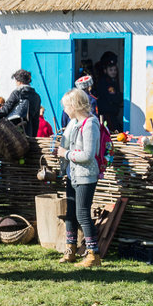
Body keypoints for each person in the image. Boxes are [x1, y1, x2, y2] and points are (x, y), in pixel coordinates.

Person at [56, 88, 103, 267]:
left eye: (67, 105)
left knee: (82, 213)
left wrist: (66, 153)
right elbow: (66, 143)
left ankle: (93, 254)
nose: (65, 109)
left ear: (75, 105)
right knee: (71, 214)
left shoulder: (90, 124)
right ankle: (71, 250)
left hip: (85, 175)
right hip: (73, 174)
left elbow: (88, 154)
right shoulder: (73, 123)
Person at [0, 69, 42, 138]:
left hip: (13, 132)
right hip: (29, 132)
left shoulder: (18, 93)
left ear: (19, 82)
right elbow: (36, 119)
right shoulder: (36, 96)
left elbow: (6, 108)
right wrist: (33, 135)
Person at [92, 52, 124, 133]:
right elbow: (114, 98)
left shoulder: (111, 81)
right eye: (111, 70)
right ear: (105, 70)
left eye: (115, 70)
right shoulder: (106, 82)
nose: (113, 72)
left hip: (111, 113)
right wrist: (121, 96)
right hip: (107, 114)